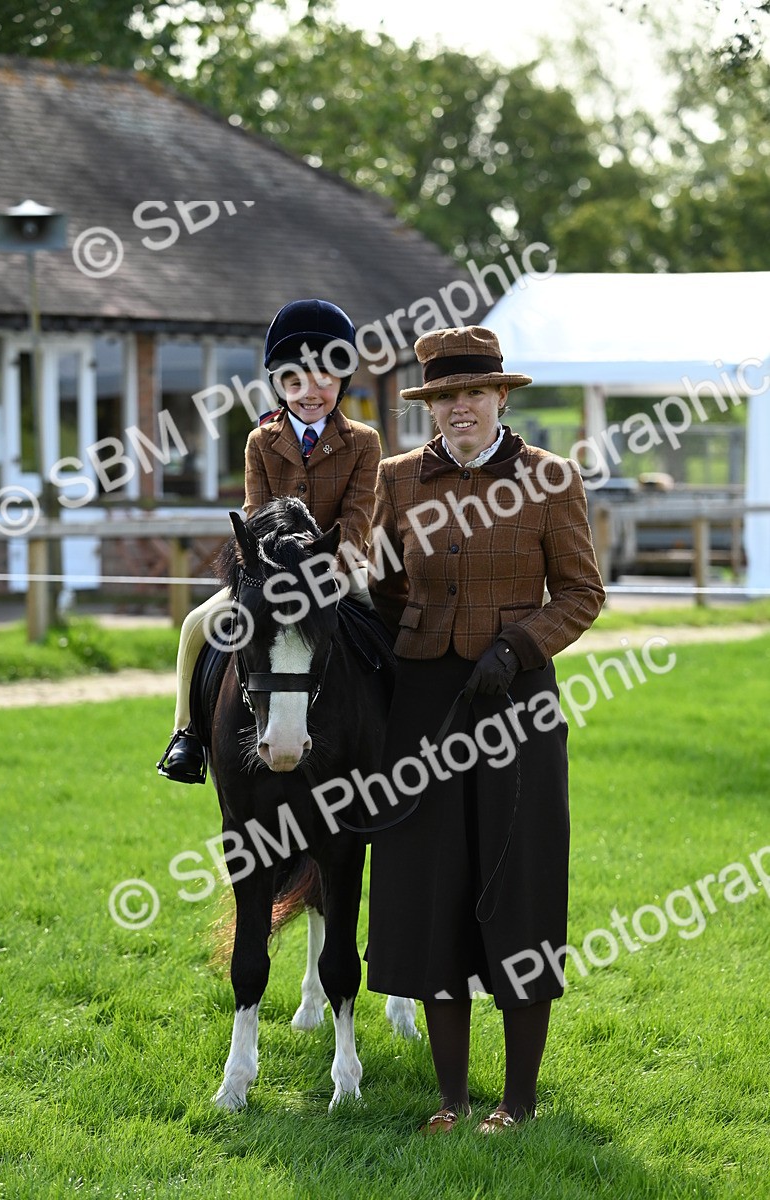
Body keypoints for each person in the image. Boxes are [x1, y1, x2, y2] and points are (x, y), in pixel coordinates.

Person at [365, 325, 606, 1134]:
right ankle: (449, 1099)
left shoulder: (550, 479)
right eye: (443, 397)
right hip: (426, 705)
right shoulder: (396, 481)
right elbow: (388, 589)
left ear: (502, 396)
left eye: (472, 393)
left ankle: (519, 1100)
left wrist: (517, 645)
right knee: (431, 887)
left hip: (518, 702)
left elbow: (580, 592)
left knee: (521, 884)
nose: (458, 408)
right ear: (430, 406)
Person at [157, 298, 381, 783]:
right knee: (196, 625)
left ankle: (398, 733)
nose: (310, 391)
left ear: (342, 383)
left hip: (338, 569)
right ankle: (187, 736)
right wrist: (269, 572)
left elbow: (358, 517)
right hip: (270, 571)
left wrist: (327, 572)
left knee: (390, 624)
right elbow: (256, 515)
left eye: (324, 379)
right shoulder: (260, 441)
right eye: (295, 380)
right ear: (278, 383)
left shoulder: (364, 441)